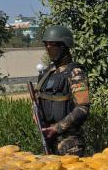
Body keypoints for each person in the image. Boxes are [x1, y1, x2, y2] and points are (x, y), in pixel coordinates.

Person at [36, 24, 90, 156]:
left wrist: (57, 128)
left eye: (53, 44)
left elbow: (83, 108)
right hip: (49, 141)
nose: (48, 48)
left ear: (64, 46)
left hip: (70, 143)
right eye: (46, 45)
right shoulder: (48, 73)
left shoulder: (75, 73)